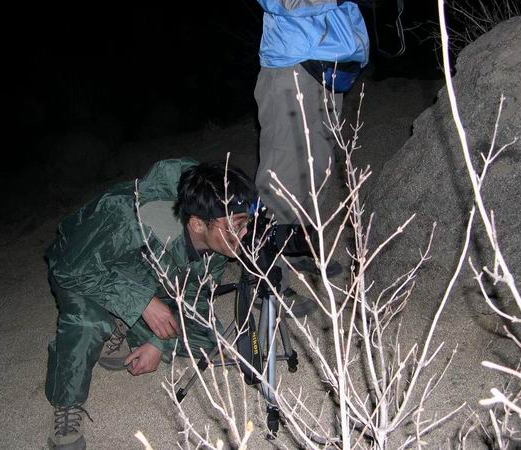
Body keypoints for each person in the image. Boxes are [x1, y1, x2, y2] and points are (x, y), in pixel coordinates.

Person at [44, 158, 256, 450]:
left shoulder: (215, 241)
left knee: (208, 337)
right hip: (82, 264)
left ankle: (125, 321)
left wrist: (159, 343)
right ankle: (67, 405)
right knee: (89, 322)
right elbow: (70, 268)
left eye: (247, 221)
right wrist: (143, 303)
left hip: (142, 270)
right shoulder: (126, 216)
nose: (245, 234)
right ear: (198, 223)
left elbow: (194, 298)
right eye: (236, 225)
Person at [254, 0, 370, 312]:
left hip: (330, 63)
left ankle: (297, 248)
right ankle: (269, 280)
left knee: (318, 167)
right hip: (291, 63)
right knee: (283, 173)